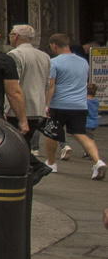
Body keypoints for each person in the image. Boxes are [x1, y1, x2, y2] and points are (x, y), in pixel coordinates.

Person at [43, 34, 104, 178]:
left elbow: (51, 86)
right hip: (79, 104)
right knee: (81, 134)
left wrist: (46, 104)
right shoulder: (83, 62)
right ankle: (98, 161)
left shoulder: (54, 62)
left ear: (54, 45)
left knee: (50, 132)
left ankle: (51, 163)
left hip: (59, 103)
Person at [7, 25, 51, 148]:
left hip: (18, 109)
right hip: (37, 107)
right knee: (26, 143)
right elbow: (47, 84)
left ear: (16, 36)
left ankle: (31, 166)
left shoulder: (14, 55)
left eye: (11, 34)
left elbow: (13, 84)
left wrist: (5, 108)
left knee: (16, 144)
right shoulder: (44, 56)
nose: (9, 37)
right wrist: (44, 105)